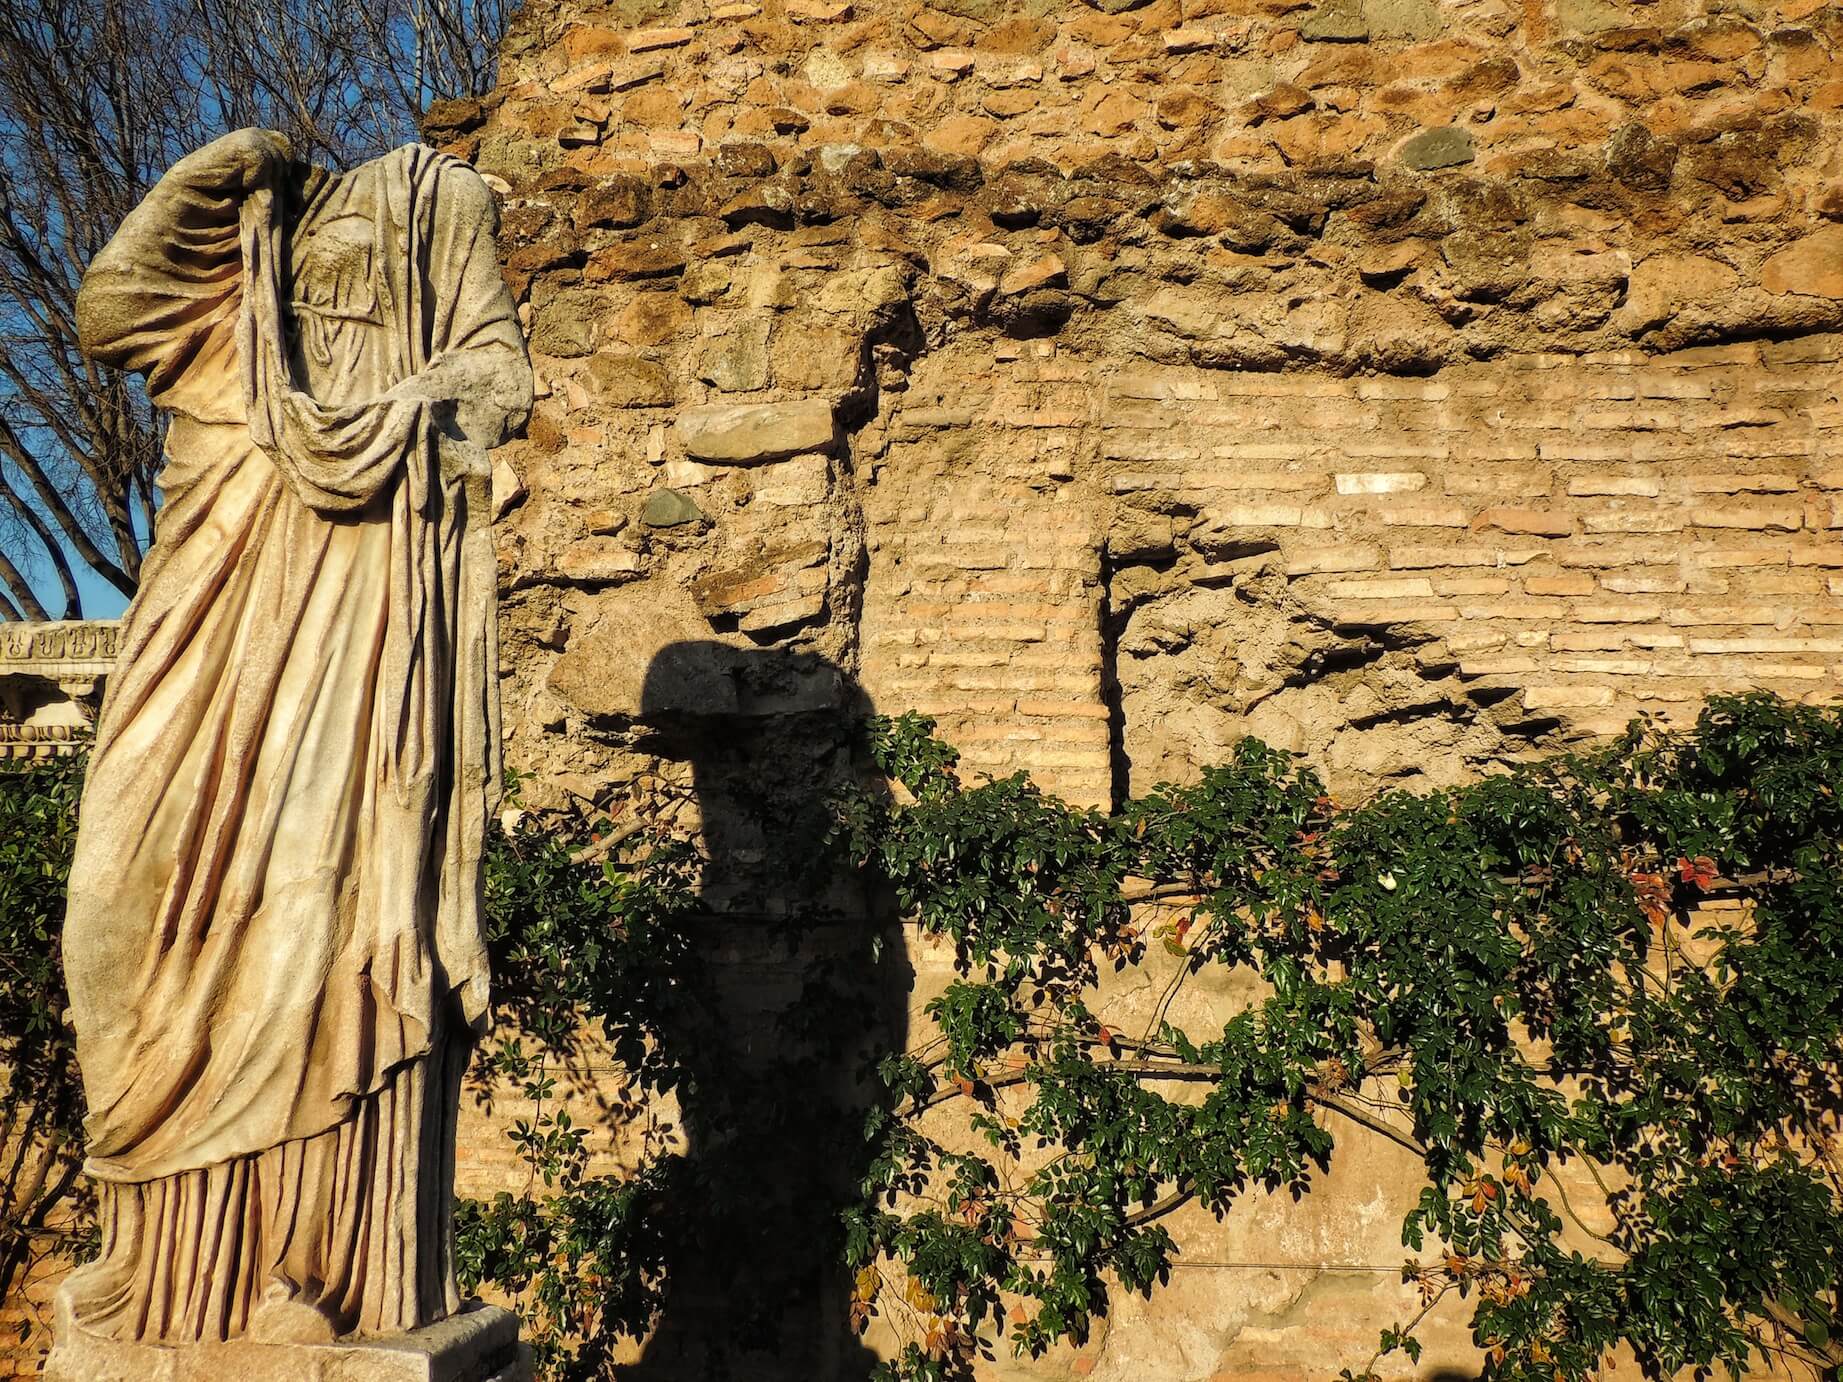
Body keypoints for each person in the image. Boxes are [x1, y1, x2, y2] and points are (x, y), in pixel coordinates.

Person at [53, 127, 531, 1347]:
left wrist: (396, 410)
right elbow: (108, 315)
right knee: (114, 920)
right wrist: (201, 175)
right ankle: (153, 1249)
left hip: (357, 607)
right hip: (207, 598)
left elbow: (497, 378)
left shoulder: (436, 199)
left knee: (314, 924)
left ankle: (303, 1268)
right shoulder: (238, 236)